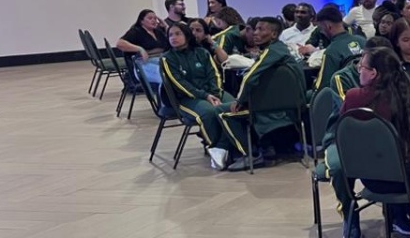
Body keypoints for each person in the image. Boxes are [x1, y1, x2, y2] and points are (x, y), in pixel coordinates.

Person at [335, 47, 410, 238]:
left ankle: (401, 218)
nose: (359, 71)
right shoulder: (407, 97)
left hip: (370, 179)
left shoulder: (352, 97)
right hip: (405, 181)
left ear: (374, 73)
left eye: (361, 67)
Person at [218, 17, 306, 170]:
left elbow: (249, 78)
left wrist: (239, 101)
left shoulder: (271, 51)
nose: (255, 33)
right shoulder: (282, 49)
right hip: (293, 105)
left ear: (274, 34)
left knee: (221, 112)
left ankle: (249, 153)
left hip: (269, 107)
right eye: (255, 29)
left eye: (261, 29)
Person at [161, 22, 236, 169]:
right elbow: (179, 84)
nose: (173, 38)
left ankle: (230, 146)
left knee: (236, 106)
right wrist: (206, 96)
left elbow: (214, 75)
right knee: (209, 112)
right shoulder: (167, 58)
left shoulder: (202, 53)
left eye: (178, 34)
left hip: (212, 92)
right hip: (186, 98)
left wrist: (215, 94)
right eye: (170, 35)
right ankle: (215, 147)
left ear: (187, 36)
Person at [313, 6, 366, 93]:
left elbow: (323, 86)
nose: (321, 32)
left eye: (321, 28)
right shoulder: (363, 41)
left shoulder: (331, 51)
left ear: (328, 26)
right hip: (369, 92)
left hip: (343, 95)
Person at [117, 9, 170, 85]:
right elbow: (119, 44)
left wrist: (165, 26)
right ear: (141, 21)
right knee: (164, 74)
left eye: (155, 18)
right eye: (150, 18)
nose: (154, 20)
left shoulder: (158, 31)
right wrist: (140, 49)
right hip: (146, 63)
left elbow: (171, 42)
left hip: (161, 60)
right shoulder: (136, 31)